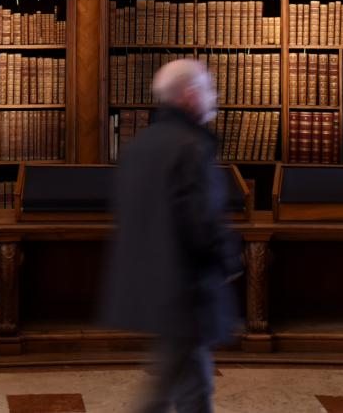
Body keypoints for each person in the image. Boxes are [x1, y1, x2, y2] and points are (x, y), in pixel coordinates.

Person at [101, 58, 241, 413]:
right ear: (190, 94)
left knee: (192, 384)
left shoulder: (141, 144)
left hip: (154, 282)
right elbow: (200, 220)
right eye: (209, 88)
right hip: (185, 287)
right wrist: (228, 258)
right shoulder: (190, 146)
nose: (214, 96)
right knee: (165, 391)